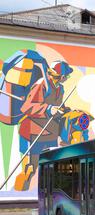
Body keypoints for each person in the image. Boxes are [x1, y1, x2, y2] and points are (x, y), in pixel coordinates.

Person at [14, 61, 73, 191]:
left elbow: (57, 106)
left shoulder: (60, 88)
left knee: (50, 167)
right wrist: (48, 109)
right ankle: (22, 188)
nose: (67, 78)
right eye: (66, 76)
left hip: (50, 132)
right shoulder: (41, 85)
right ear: (61, 76)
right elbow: (27, 107)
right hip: (34, 132)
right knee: (32, 168)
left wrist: (63, 110)